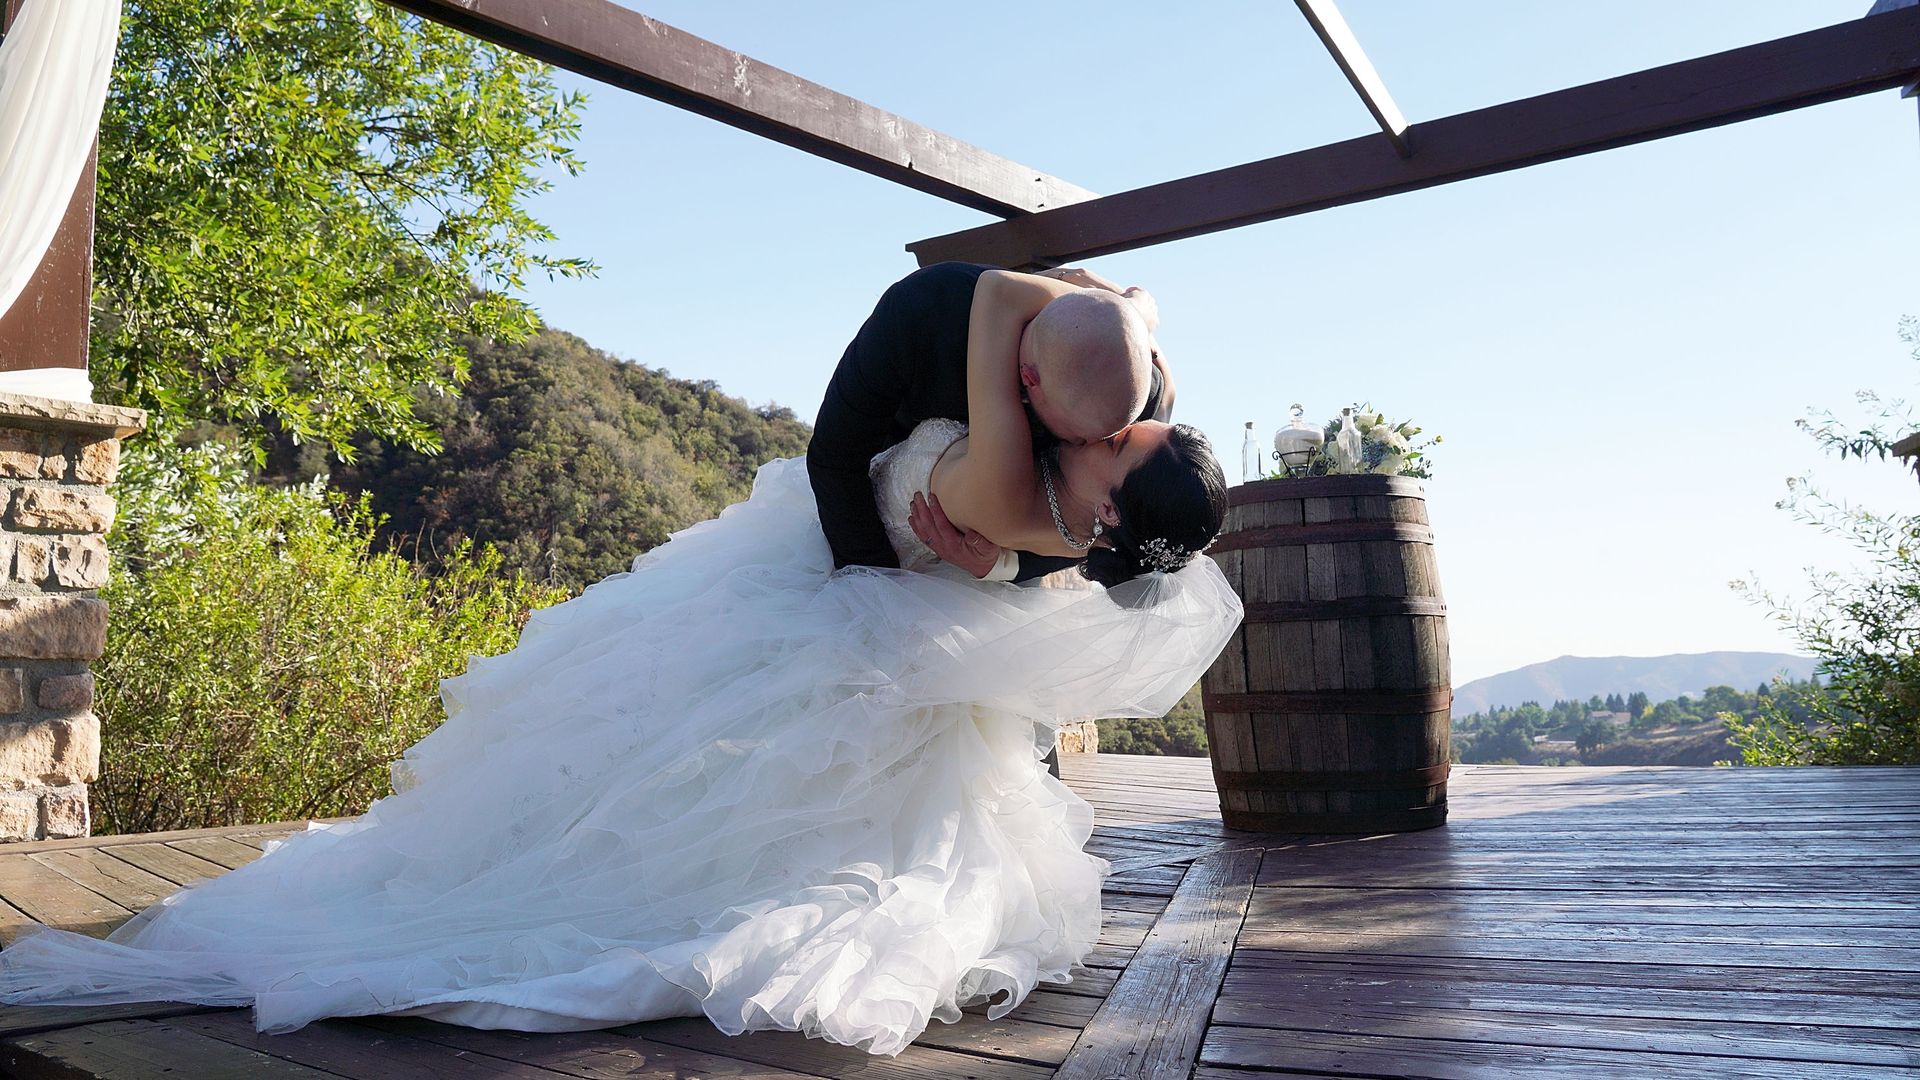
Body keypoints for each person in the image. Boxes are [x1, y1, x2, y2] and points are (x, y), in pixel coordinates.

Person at [0, 270, 1242, 1058]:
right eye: (1131, 424)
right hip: (850, 563)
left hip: (871, 597)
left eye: (1121, 447)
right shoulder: (1097, 434)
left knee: (757, 800)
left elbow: (996, 317)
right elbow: (1055, 361)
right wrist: (1122, 318)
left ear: (1102, 494)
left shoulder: (1014, 490)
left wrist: (1072, 327)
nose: (1122, 431)